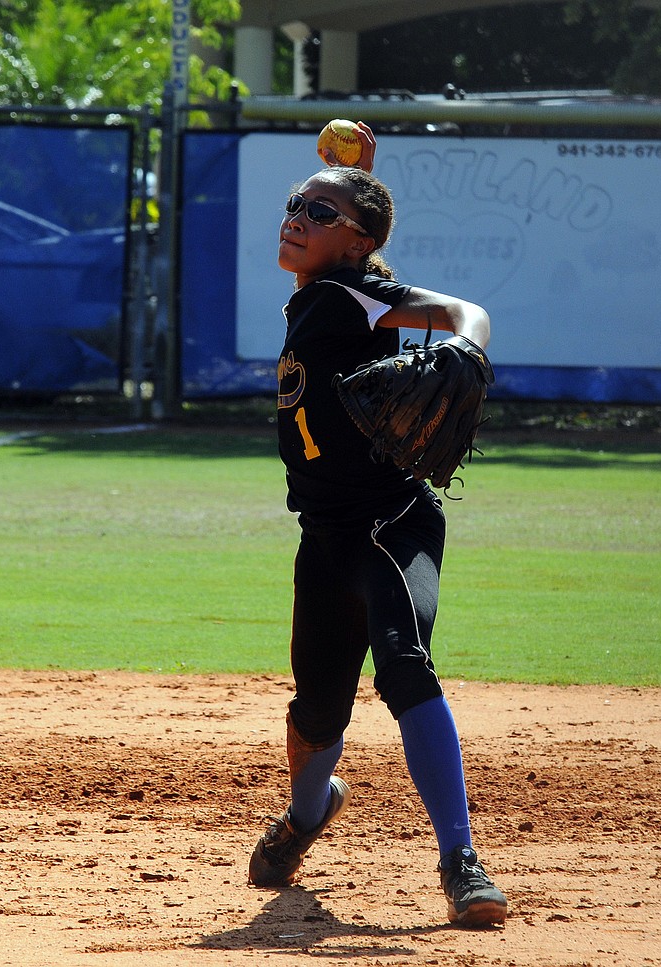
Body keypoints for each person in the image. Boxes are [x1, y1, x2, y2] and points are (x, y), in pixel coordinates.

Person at [248, 123, 507, 928]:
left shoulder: (360, 293)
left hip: (391, 523)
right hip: (323, 540)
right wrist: (345, 180)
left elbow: (470, 311)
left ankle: (461, 858)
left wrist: (464, 347)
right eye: (297, 204)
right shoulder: (314, 299)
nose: (297, 216)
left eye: (318, 212)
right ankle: (308, 810)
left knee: (403, 664)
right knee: (315, 713)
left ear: (358, 242)